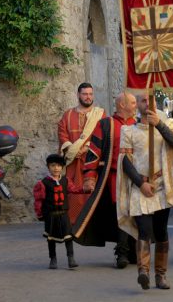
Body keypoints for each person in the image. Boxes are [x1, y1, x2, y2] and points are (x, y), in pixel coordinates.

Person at [117, 94, 173, 290]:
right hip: (140, 186)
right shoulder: (128, 131)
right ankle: (143, 271)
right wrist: (140, 183)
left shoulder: (167, 124)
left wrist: (159, 124)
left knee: (161, 231)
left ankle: (160, 275)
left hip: (161, 186)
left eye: (149, 100)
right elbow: (125, 162)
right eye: (143, 100)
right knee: (144, 230)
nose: (147, 103)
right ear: (138, 105)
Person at [72, 92, 137, 268]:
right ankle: (122, 253)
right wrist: (89, 177)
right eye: (132, 102)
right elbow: (94, 152)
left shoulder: (138, 125)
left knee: (136, 213)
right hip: (115, 177)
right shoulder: (106, 124)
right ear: (122, 105)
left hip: (137, 178)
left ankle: (133, 250)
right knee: (122, 212)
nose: (136, 105)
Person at [57, 83, 106, 224]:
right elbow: (62, 134)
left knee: (91, 191)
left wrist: (85, 149)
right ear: (78, 95)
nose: (88, 97)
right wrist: (72, 150)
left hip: (91, 161)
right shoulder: (68, 115)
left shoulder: (100, 114)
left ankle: (90, 224)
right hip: (72, 161)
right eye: (85, 94)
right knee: (72, 193)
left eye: (90, 94)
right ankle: (72, 223)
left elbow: (102, 135)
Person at [33, 154, 91, 269]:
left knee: (68, 237)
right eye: (53, 165)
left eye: (59, 166)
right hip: (51, 215)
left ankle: (71, 258)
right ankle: (53, 259)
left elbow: (73, 189)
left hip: (64, 215)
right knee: (51, 239)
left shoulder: (65, 180)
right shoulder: (43, 183)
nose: (56, 168)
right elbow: (39, 200)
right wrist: (39, 214)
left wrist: (84, 189)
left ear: (62, 167)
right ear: (48, 167)